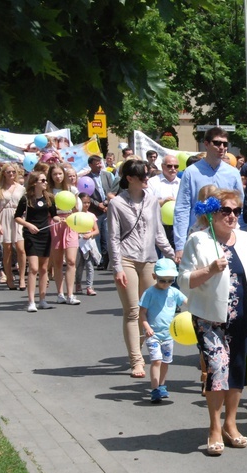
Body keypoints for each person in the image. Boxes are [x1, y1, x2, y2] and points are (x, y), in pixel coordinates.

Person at [178, 189, 247, 455]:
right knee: (216, 369)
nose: (232, 216)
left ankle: (231, 424)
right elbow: (184, 280)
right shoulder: (198, 240)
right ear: (212, 214)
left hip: (242, 314)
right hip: (209, 317)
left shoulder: (245, 239)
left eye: (236, 211)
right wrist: (210, 269)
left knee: (237, 370)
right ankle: (214, 427)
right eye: (226, 211)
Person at [108, 159, 175, 379]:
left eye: (148, 175)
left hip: (149, 260)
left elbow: (158, 234)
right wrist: (117, 267)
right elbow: (113, 238)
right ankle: (136, 360)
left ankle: (145, 352)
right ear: (129, 179)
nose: (147, 179)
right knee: (132, 311)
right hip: (126, 259)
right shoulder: (116, 204)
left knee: (149, 311)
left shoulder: (152, 201)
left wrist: (173, 255)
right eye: (142, 176)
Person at [173, 128, 243, 263]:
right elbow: (182, 209)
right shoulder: (191, 173)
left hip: (227, 236)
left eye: (225, 144)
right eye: (217, 143)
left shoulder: (233, 173)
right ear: (206, 144)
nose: (221, 147)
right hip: (199, 237)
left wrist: (240, 235)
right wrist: (180, 246)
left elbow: (240, 207)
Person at [139, 258, 188, 404]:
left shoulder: (174, 292)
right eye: (162, 280)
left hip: (169, 334)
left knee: (166, 362)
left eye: (170, 280)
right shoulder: (149, 293)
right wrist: (146, 327)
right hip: (153, 334)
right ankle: (155, 389)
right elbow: (142, 312)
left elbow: (188, 303)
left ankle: (162, 385)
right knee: (156, 361)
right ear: (154, 277)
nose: (166, 283)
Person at [15, 171, 58, 312]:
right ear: (34, 183)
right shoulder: (26, 199)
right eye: (43, 180)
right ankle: (31, 301)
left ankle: (42, 300)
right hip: (31, 234)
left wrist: (61, 219)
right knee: (33, 268)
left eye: (46, 180)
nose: (46, 182)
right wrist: (28, 225)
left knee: (44, 268)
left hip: (45, 234)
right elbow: (17, 217)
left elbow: (54, 216)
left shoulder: (49, 198)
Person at [48, 163, 81, 305]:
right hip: (55, 224)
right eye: (55, 174)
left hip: (70, 223)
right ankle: (60, 293)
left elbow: (76, 208)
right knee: (57, 261)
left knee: (71, 260)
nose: (58, 176)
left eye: (60, 174)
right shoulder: (48, 191)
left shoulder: (72, 190)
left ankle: (70, 294)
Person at [0, 163, 27, 290]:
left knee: (21, 249)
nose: (11, 174)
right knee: (7, 249)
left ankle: (22, 277)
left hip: (18, 217)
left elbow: (25, 205)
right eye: (8, 172)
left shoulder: (21, 188)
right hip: (4, 217)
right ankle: (9, 277)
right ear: (4, 173)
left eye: (13, 172)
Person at [86, 155, 117, 271]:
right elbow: (86, 195)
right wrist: (97, 204)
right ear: (90, 165)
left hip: (108, 208)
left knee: (108, 234)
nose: (99, 165)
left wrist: (106, 203)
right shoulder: (86, 178)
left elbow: (113, 190)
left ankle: (106, 259)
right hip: (95, 211)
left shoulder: (108, 175)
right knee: (97, 235)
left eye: (100, 163)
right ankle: (98, 259)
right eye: (96, 163)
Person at [148, 154, 181, 249]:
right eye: (169, 166)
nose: (173, 168)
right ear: (162, 166)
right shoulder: (152, 182)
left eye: (176, 166)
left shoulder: (182, 182)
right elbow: (146, 202)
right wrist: (163, 202)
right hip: (158, 225)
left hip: (177, 225)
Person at [74, 193, 100, 296]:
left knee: (90, 265)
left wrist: (90, 234)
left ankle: (89, 286)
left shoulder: (91, 215)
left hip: (88, 243)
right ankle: (78, 284)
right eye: (84, 203)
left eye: (88, 203)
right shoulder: (76, 215)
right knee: (79, 265)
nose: (87, 205)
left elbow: (96, 230)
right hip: (78, 242)